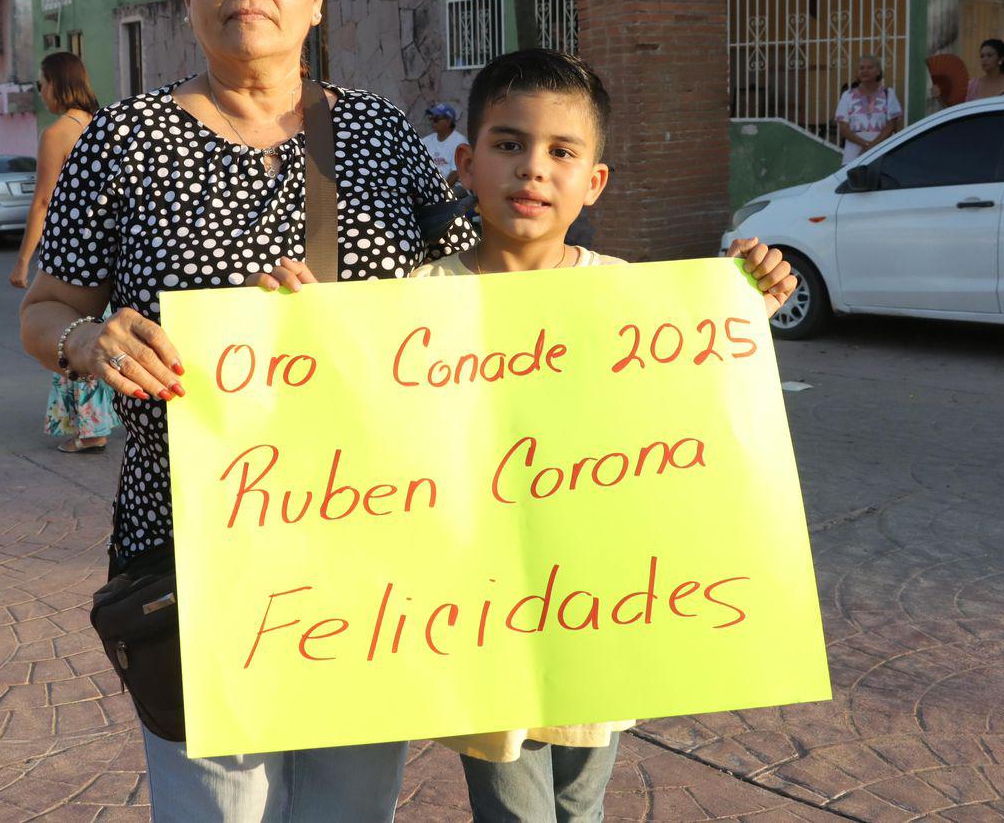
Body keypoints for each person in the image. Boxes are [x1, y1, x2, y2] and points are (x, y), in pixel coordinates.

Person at [18, 0, 474, 821]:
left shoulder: (383, 136)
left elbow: (472, 309)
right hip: (193, 544)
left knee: (352, 803)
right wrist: (86, 339)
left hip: (366, 535)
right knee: (216, 807)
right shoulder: (124, 141)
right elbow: (45, 307)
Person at [249, 48, 796, 823]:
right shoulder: (415, 303)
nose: (532, 170)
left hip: (601, 611)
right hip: (480, 621)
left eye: (561, 152)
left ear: (594, 181)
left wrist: (744, 306)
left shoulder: (626, 299)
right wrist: (298, 335)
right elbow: (359, 425)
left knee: (581, 806)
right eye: (508, 145)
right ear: (467, 165)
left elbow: (691, 402)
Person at [11, 52, 119, 454]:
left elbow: (43, 203)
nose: (41, 93)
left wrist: (24, 260)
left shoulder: (56, 134)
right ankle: (97, 421)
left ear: (56, 84)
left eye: (42, 83)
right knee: (102, 332)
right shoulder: (102, 126)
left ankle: (90, 429)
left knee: (72, 337)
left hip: (71, 252)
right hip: (110, 250)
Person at [833, 54, 904, 164]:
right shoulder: (847, 95)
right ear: (857, 73)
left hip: (882, 153)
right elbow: (843, 128)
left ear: (878, 72)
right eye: (861, 68)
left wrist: (872, 147)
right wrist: (865, 145)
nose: (865, 71)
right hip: (853, 155)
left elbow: (891, 125)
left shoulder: (888, 94)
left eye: (870, 67)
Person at [421, 102, 467, 186]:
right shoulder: (426, 141)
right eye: (431, 118)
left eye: (436, 119)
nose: (432, 122)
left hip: (455, 186)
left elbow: (455, 173)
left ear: (449, 121)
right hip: (433, 188)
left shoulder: (460, 142)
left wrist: (441, 192)